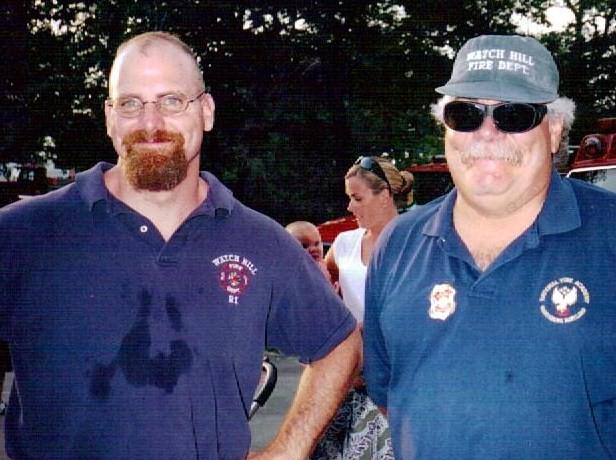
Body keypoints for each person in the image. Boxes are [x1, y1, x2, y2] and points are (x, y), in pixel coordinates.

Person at [0, 31, 360, 460]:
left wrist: (289, 449)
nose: (150, 123)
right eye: (131, 103)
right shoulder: (22, 234)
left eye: (172, 101)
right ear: (110, 117)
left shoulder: (262, 244)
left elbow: (340, 344)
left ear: (205, 111)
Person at [362, 34, 616, 459]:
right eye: (465, 114)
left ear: (554, 131)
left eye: (514, 115)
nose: (486, 134)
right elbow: (393, 396)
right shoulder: (398, 246)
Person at [312, 156, 413, 459]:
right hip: (349, 378)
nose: (349, 207)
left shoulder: (415, 244)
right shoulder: (344, 243)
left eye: (357, 198)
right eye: (348, 198)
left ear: (385, 196)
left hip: (396, 381)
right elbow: (320, 284)